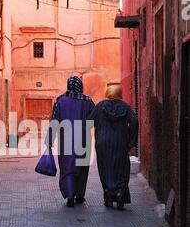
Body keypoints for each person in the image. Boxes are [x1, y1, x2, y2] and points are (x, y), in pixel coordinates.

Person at [47, 76, 95, 208]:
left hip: (66, 142)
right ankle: (79, 195)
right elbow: (94, 120)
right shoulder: (88, 101)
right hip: (84, 141)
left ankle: (70, 197)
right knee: (82, 168)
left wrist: (49, 140)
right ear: (80, 86)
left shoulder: (60, 101)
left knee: (68, 168)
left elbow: (55, 121)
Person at [90, 84, 138, 210]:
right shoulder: (125, 107)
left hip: (103, 143)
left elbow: (89, 121)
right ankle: (120, 193)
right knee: (122, 168)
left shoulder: (100, 106)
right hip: (120, 142)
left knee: (105, 168)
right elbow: (134, 122)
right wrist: (131, 141)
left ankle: (109, 196)